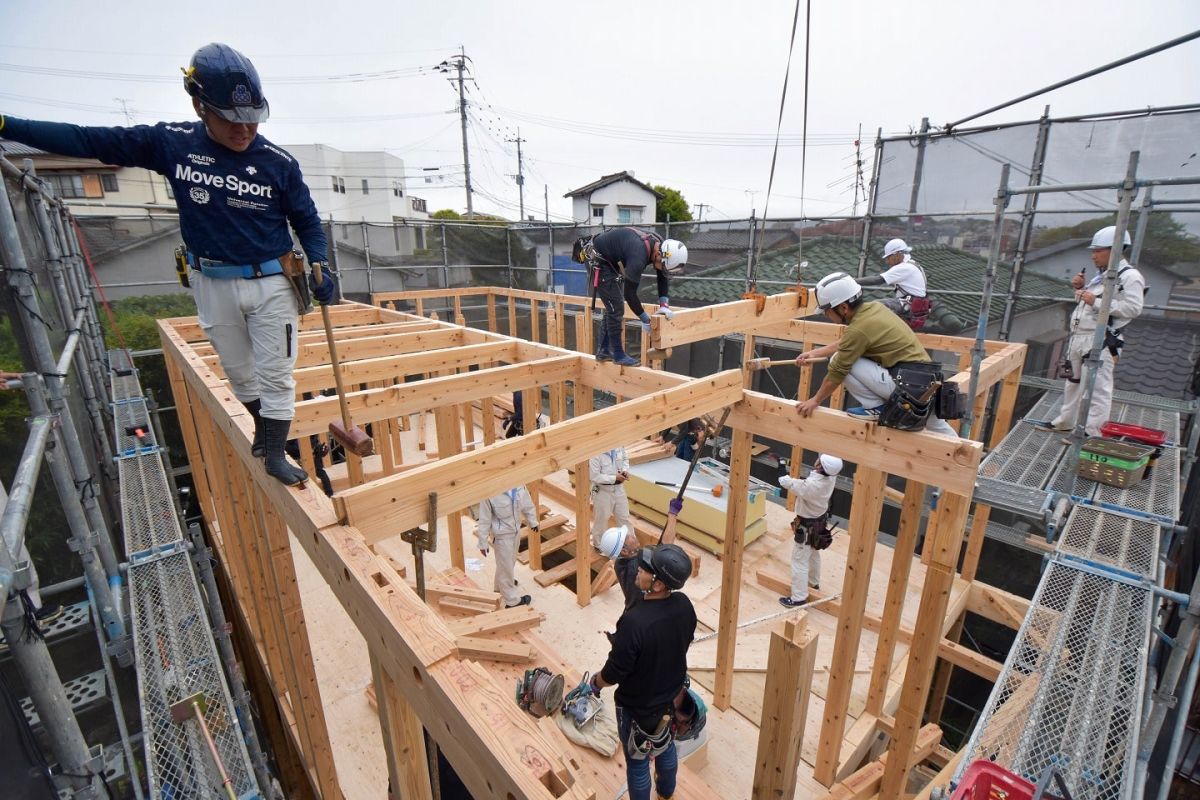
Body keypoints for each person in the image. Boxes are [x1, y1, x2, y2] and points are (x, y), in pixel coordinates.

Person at [0, 43, 334, 487]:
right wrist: (8, 126)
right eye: (231, 120)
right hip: (211, 280)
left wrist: (321, 264)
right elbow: (87, 140)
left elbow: (308, 223)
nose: (245, 130)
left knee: (276, 373)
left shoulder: (278, 164)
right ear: (199, 105)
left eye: (253, 117)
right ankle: (263, 431)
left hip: (272, 281)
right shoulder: (171, 144)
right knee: (238, 371)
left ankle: (274, 452)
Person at [589, 543, 696, 800]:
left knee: (637, 763)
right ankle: (666, 794)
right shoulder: (683, 605)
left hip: (639, 707)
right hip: (671, 697)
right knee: (665, 745)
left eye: (645, 569)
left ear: (658, 585)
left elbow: (615, 671)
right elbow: (686, 639)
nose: (638, 570)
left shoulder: (635, 622)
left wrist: (596, 683)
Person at [795, 272, 958, 436]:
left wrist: (815, 400)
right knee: (941, 430)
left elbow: (837, 371)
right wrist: (816, 352)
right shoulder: (874, 309)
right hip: (923, 384)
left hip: (907, 388)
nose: (826, 315)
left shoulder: (859, 328)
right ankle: (966, 455)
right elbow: (850, 342)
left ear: (843, 308)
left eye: (827, 311)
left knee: (839, 362)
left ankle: (875, 407)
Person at [1035, 226, 1145, 438]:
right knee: (1073, 383)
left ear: (1115, 250)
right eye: (1093, 251)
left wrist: (1095, 301)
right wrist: (1080, 289)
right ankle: (1065, 421)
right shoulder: (1102, 276)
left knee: (1096, 389)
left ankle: (1090, 433)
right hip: (1080, 337)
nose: (1093, 255)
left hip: (1100, 339)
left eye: (1098, 251)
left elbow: (1133, 308)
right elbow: (1089, 305)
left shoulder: (1130, 276)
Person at [574, 229, 687, 367]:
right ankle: (618, 354)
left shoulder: (661, 246)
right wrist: (645, 319)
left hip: (610, 258)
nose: (662, 270)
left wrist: (664, 305)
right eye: (663, 266)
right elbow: (630, 294)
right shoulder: (639, 255)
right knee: (616, 308)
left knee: (613, 306)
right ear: (658, 255)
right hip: (598, 259)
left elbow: (661, 276)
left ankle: (603, 351)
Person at [776, 454, 842, 608]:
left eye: (819, 460)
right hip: (819, 523)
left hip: (807, 527)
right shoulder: (831, 478)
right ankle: (813, 583)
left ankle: (799, 598)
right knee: (813, 553)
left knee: (799, 561)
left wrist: (780, 465)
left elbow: (786, 482)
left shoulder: (811, 486)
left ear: (820, 465)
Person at [598, 497, 684, 608]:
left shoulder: (620, 564)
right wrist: (673, 514)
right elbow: (667, 547)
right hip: (648, 610)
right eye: (628, 536)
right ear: (624, 551)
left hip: (632, 608)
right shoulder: (638, 565)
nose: (632, 535)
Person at [476, 485, 539, 608]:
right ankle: (512, 601)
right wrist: (482, 542)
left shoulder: (519, 485)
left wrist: (533, 521)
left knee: (509, 563)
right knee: (506, 566)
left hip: (515, 532)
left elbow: (527, 505)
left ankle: (500, 586)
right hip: (502, 537)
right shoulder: (490, 493)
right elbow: (484, 520)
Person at [855, 238, 934, 330]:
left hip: (909, 307)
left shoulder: (904, 267)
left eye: (888, 257)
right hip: (916, 307)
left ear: (897, 254)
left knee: (874, 306)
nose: (888, 261)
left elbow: (878, 280)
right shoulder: (914, 264)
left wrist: (853, 281)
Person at [590, 446, 633, 548]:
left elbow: (625, 459)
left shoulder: (619, 446)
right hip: (603, 491)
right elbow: (594, 476)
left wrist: (625, 470)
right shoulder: (595, 453)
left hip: (619, 488)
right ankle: (599, 545)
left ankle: (629, 544)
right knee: (602, 519)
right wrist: (614, 478)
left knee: (624, 518)